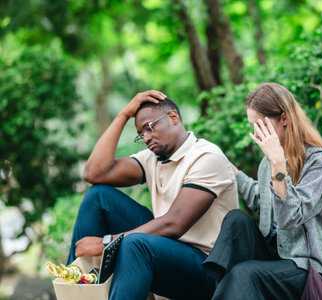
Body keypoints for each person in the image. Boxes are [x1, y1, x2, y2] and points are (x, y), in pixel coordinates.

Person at [67, 90, 239, 300]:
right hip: (165, 248)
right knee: (98, 196)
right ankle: (74, 292)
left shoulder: (205, 156)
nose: (147, 137)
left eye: (150, 127)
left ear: (173, 117)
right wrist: (123, 115)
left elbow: (174, 224)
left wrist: (105, 243)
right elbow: (94, 173)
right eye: (141, 133)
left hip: (207, 268)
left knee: (135, 243)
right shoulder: (153, 158)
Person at [203, 82, 322, 299]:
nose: (257, 133)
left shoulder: (319, 161)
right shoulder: (268, 162)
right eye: (253, 125)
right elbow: (260, 201)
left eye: (261, 124)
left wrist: (279, 167)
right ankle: (209, 284)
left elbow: (290, 218)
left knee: (244, 274)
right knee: (236, 220)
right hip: (276, 256)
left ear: (284, 119)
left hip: (310, 267)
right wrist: (229, 168)